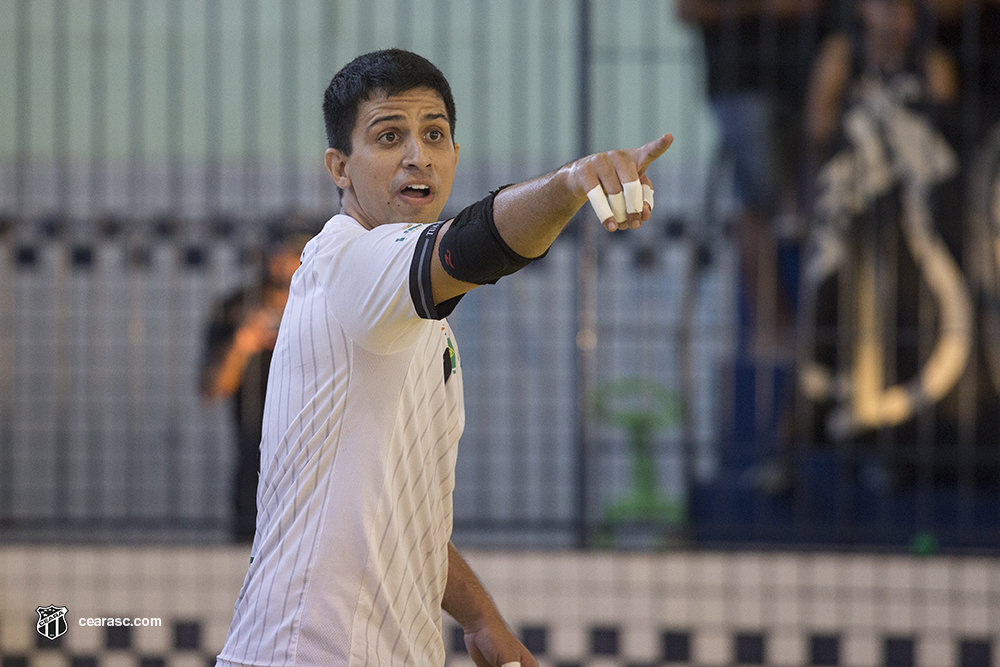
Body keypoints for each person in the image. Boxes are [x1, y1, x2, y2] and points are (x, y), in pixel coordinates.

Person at [216, 48, 669, 667]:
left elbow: (400, 512)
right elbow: (474, 244)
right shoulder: (347, 263)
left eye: (434, 134)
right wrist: (570, 183)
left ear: (454, 155)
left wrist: (480, 617)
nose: (417, 155)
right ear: (340, 167)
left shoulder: (423, 319)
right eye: (389, 136)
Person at [200, 229, 310, 542]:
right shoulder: (234, 308)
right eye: (277, 251)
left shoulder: (327, 305)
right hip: (255, 471)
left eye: (292, 253)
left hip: (316, 471)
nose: (281, 262)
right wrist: (241, 344)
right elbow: (211, 390)